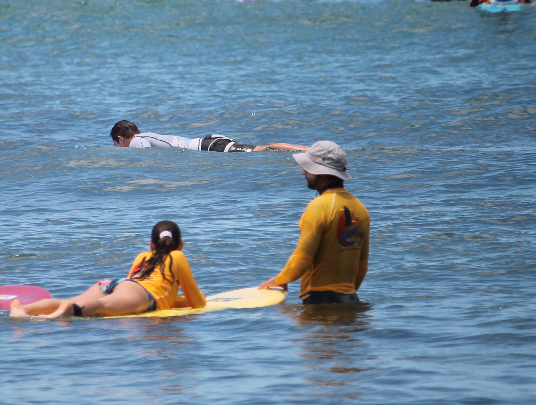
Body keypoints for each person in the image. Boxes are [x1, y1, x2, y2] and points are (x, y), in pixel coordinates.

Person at [10, 221, 205, 318]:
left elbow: (128, 285)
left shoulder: (143, 256)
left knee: (68, 300)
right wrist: (183, 301)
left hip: (115, 284)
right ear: (181, 245)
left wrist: (177, 300)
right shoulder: (178, 256)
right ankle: (70, 311)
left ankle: (23, 308)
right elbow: (197, 303)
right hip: (141, 294)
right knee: (102, 307)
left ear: (151, 245)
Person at [258, 141, 370, 304]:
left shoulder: (318, 206)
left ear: (322, 174)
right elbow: (362, 267)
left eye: (308, 168)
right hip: (351, 299)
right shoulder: (360, 208)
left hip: (321, 300)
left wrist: (279, 280)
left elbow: (302, 258)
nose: (303, 172)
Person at [110, 120, 309, 153]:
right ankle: (307, 149)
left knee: (262, 150)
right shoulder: (147, 134)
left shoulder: (136, 141)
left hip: (209, 147)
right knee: (261, 150)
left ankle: (309, 150)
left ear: (121, 138)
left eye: (116, 145)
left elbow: (146, 157)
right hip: (209, 143)